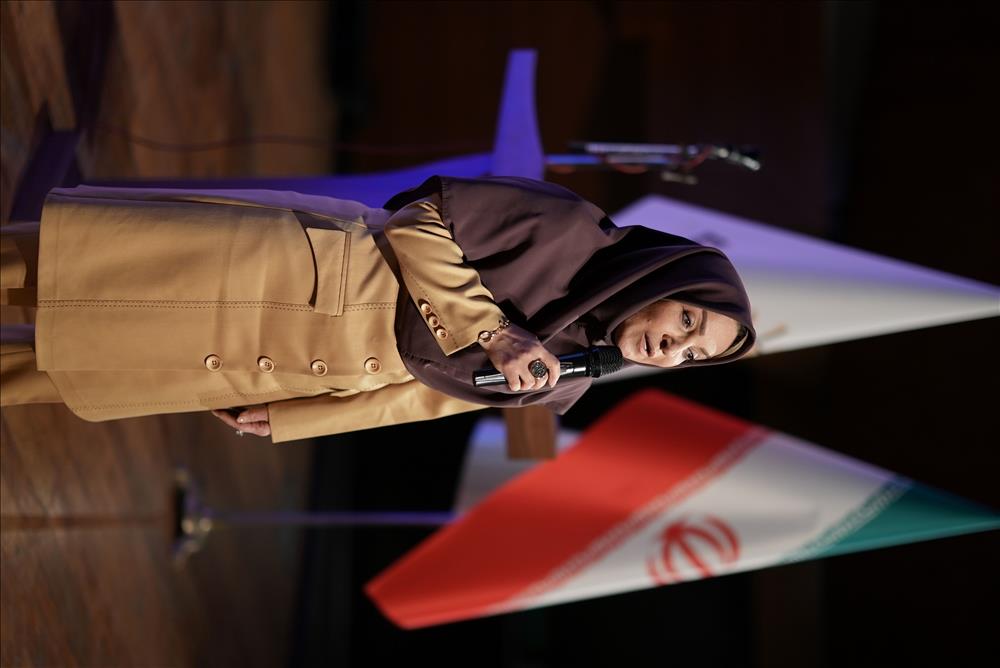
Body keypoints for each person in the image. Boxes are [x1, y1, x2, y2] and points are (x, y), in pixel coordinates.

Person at [0, 176, 755, 442]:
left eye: (692, 356)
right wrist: (493, 331)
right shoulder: (568, 230)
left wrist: (296, 418)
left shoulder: (571, 375)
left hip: (298, 361)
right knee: (59, 269)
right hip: (287, 275)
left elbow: (424, 397)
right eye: (687, 322)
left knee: (71, 370)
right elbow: (418, 221)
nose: (673, 347)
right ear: (662, 280)